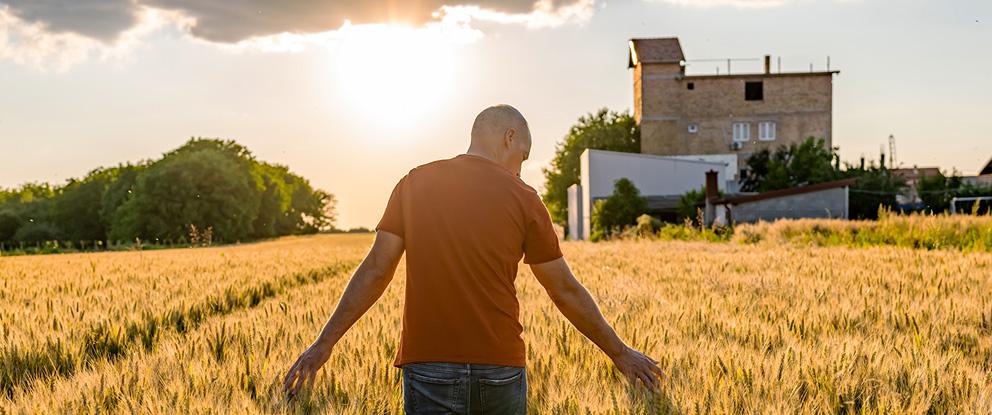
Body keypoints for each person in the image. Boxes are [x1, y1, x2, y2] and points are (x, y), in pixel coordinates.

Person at [282, 104, 663, 413]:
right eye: (523, 156)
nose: (520, 167)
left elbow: (376, 271)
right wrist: (620, 353)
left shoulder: (414, 183)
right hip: (499, 366)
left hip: (428, 365)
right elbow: (564, 289)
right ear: (508, 137)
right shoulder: (525, 199)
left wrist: (323, 344)